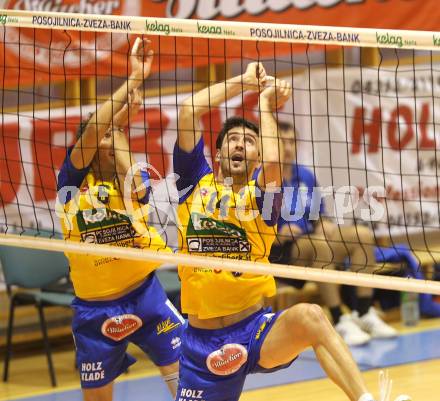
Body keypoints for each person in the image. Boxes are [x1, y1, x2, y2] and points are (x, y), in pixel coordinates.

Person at [173, 62, 407, 401]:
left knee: (310, 317)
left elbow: (273, 164)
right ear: (219, 152)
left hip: (254, 333)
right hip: (202, 342)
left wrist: (265, 104)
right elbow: (188, 110)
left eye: (249, 141)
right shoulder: (192, 183)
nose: (240, 145)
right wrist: (243, 81)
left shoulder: (262, 198)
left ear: (255, 156)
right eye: (233, 139)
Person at [56, 38, 183, 401]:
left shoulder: (128, 181)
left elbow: (130, 173)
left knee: (183, 377)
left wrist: (122, 127)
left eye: (114, 135)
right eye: (104, 137)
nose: (111, 139)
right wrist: (132, 79)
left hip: (145, 295)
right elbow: (96, 129)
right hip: (95, 309)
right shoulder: (72, 183)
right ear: (90, 149)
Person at [271, 122, 397, 346]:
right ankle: (339, 319)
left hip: (314, 247)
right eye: (282, 142)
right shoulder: (264, 177)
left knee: (361, 235)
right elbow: (251, 230)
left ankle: (363, 312)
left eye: (292, 142)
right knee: (319, 244)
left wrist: (323, 223)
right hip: (281, 255)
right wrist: (278, 232)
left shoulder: (305, 175)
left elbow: (319, 213)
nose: (288, 148)